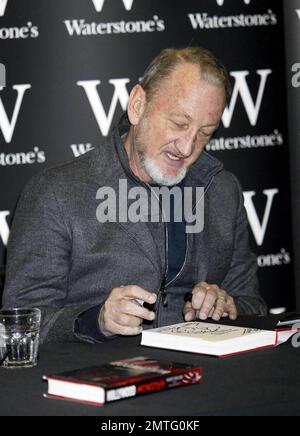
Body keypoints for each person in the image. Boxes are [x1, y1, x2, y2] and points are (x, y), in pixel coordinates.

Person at [2, 47, 267, 343]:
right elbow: (20, 323)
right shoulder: (55, 193)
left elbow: (253, 307)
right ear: (138, 104)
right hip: (95, 378)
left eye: (205, 132)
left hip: (207, 381)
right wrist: (96, 319)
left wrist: (226, 306)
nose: (187, 147)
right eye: (179, 123)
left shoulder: (222, 191)